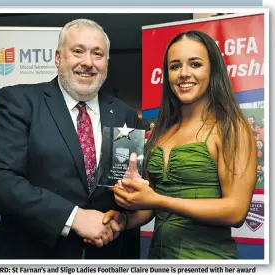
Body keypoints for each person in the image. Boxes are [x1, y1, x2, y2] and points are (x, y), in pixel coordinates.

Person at [0, 19, 140, 259]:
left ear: (106, 63)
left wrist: (131, 194)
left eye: (98, 54)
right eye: (77, 51)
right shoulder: (21, 101)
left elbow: (121, 181)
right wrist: (73, 217)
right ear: (58, 58)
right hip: (34, 257)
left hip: (106, 257)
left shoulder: (124, 113)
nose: (88, 62)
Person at [103, 30, 257, 259]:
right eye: (175, 66)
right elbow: (151, 205)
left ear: (213, 70)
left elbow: (236, 211)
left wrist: (158, 200)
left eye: (195, 64)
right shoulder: (162, 130)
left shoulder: (231, 128)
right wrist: (124, 220)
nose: (184, 74)